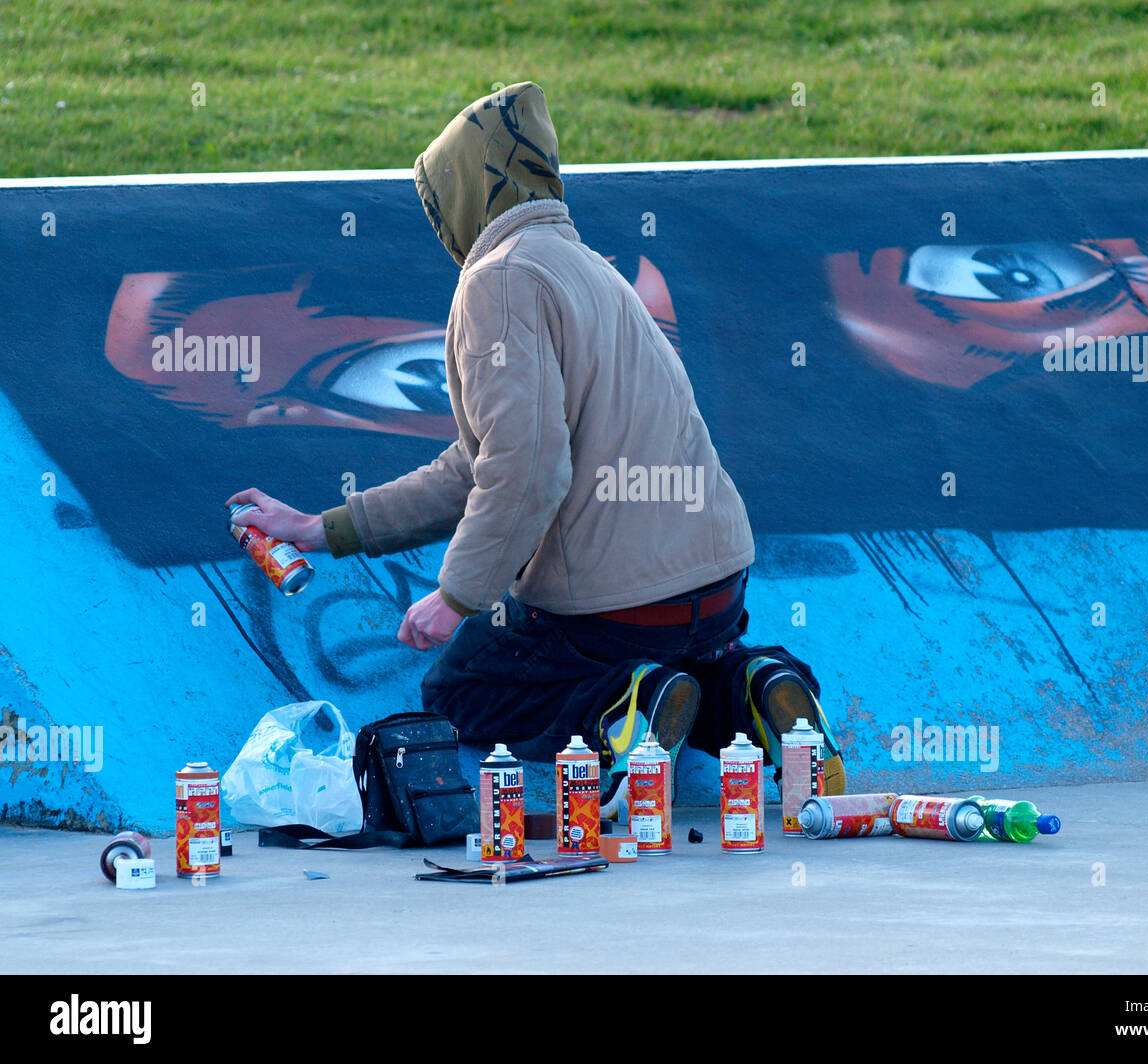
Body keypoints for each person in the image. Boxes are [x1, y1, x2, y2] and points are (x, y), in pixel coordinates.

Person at [227, 81, 844, 812]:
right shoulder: (591, 270)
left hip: (614, 607)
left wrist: (457, 598)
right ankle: (759, 689)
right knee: (685, 660)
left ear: (461, 193)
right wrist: (319, 531)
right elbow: (474, 466)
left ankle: (621, 708)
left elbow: (525, 467)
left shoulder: (500, 282)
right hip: (715, 594)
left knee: (464, 690)